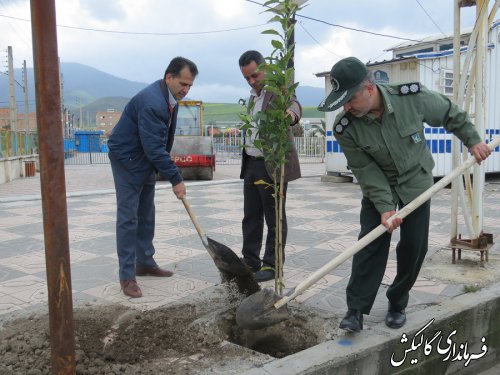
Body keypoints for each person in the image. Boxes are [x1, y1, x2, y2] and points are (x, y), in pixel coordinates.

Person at [318, 57, 492, 332]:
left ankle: (397, 301)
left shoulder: (411, 97)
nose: (347, 107)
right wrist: (385, 207)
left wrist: (473, 140)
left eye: (350, 99)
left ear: (369, 88)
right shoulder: (346, 127)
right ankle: (356, 309)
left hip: (415, 182)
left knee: (414, 246)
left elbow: (449, 113)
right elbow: (365, 169)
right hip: (380, 186)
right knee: (370, 244)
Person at [108, 57, 198, 298]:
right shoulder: (152, 102)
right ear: (168, 77)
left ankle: (145, 262)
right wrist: (175, 178)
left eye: (189, 85)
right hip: (127, 159)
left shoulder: (171, 99)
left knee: (146, 213)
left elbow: (160, 144)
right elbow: (154, 148)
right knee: (128, 217)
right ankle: (127, 276)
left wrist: (162, 169)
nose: (185, 90)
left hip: (144, 159)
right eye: (182, 83)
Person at [238, 50, 302, 282]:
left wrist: (291, 114)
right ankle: (250, 261)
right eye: (247, 78)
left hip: (273, 164)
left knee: (274, 217)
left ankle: (272, 265)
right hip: (252, 163)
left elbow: (294, 104)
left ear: (265, 69)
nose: (252, 81)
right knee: (251, 216)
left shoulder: (278, 90)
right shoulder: (253, 97)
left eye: (255, 76)